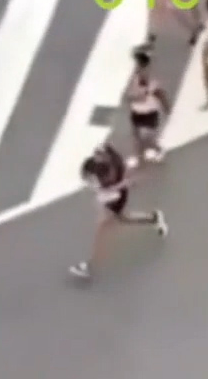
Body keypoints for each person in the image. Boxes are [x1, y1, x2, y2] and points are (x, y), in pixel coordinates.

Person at [69, 142, 168, 281]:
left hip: (117, 196)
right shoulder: (106, 160)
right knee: (123, 218)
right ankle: (153, 218)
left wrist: (103, 194)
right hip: (113, 193)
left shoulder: (115, 172)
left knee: (102, 229)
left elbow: (118, 186)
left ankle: (89, 266)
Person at [125, 50, 170, 165]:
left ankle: (158, 150)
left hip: (149, 113)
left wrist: (166, 108)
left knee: (148, 138)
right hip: (137, 111)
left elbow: (160, 94)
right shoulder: (134, 78)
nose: (135, 67)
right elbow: (130, 95)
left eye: (137, 63)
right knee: (136, 136)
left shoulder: (150, 80)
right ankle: (139, 157)